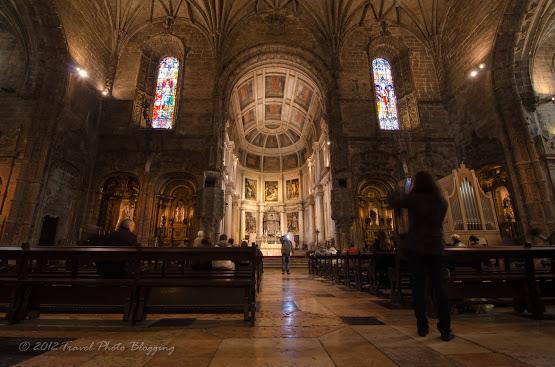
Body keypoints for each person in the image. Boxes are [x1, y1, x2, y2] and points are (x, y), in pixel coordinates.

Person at [388, 171, 453, 341]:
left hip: (416, 248)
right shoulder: (440, 200)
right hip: (436, 246)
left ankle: (422, 326)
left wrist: (402, 190)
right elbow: (439, 222)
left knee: (418, 288)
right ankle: (445, 329)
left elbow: (393, 202)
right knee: (440, 288)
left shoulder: (414, 198)